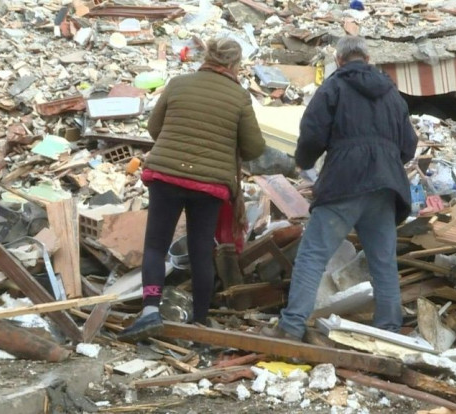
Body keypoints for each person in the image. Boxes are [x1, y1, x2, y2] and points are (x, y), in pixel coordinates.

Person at [262, 36, 418, 341]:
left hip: (344, 183)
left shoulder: (334, 86)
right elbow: (408, 146)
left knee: (313, 254)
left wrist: (304, 162)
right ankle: (389, 330)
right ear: (368, 58)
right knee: (383, 261)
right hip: (386, 187)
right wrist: (385, 160)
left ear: (340, 59)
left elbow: (311, 134)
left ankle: (292, 325)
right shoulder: (392, 93)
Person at [119, 37, 265, 342]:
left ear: (207, 57)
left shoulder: (178, 83)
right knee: (200, 250)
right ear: (235, 65)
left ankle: (149, 312)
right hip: (209, 185)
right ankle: (198, 323)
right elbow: (254, 148)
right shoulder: (239, 97)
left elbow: (154, 128)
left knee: (156, 247)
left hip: (165, 176)